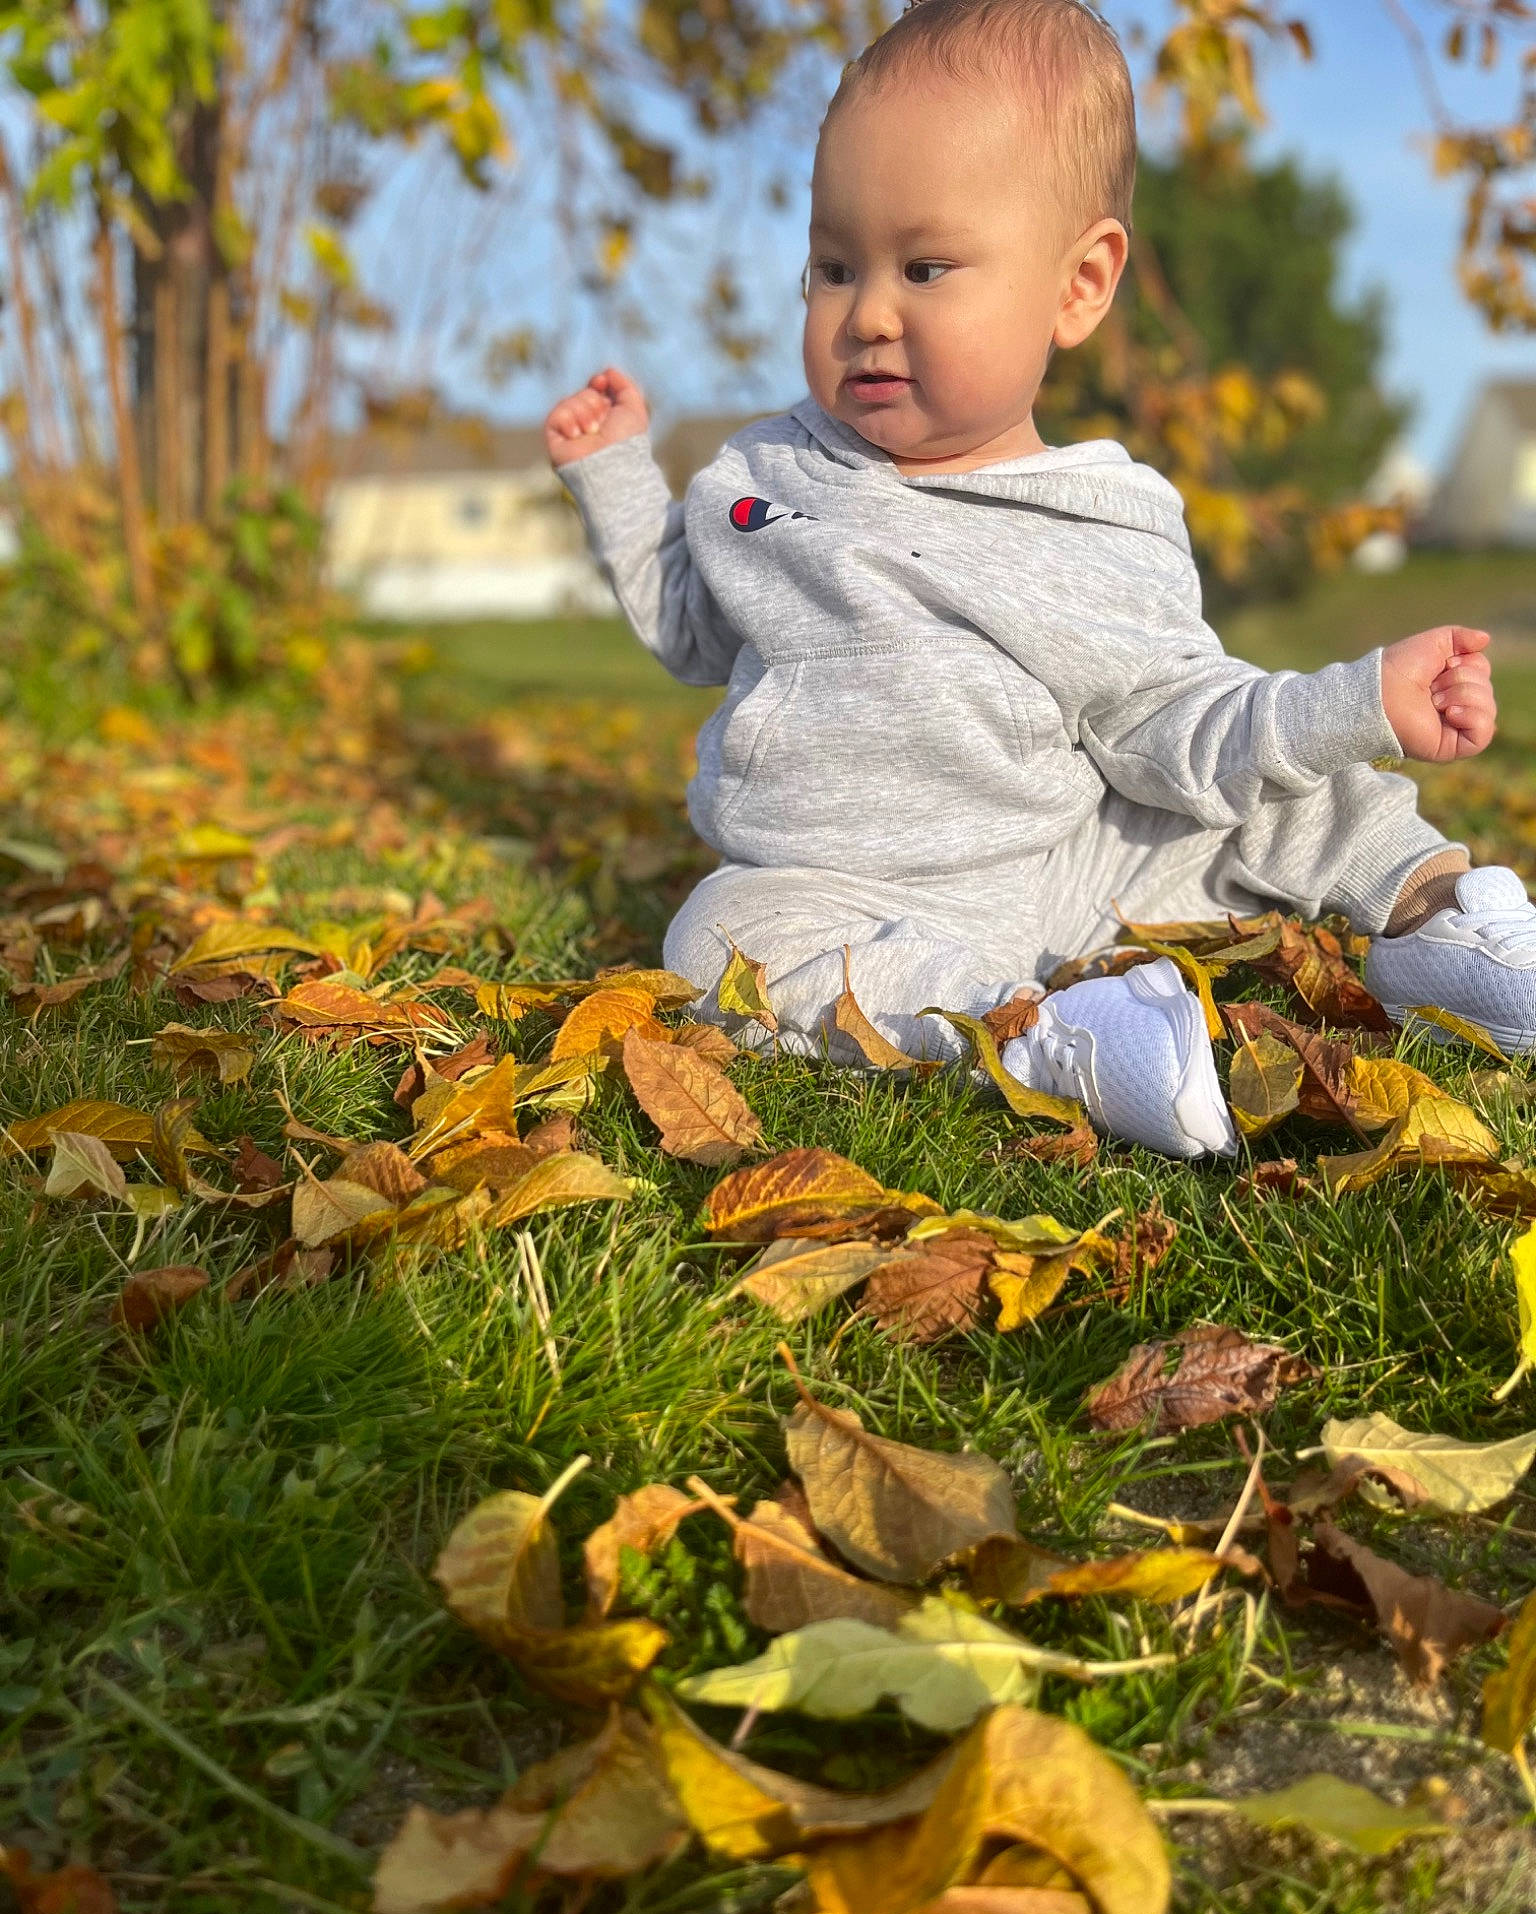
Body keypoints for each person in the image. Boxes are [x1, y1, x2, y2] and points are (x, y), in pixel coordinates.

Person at [542, 0, 1532, 1160]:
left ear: (1078, 285)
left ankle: (1436, 924)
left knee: (1281, 794)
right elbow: (689, 625)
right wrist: (614, 475)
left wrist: (1357, 702)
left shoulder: (1095, 521)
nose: (865, 313)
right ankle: (1042, 1029)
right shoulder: (764, 476)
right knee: (716, 935)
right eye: (834, 263)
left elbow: (1183, 724)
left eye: (924, 266)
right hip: (836, 880)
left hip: (1075, 858)